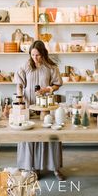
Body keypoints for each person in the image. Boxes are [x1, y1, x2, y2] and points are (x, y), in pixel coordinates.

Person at [15, 40, 65, 181]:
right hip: (29, 105)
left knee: (50, 136)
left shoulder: (51, 67)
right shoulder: (26, 66)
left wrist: (47, 89)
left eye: (37, 55)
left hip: (45, 106)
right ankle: (31, 168)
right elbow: (19, 84)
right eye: (32, 55)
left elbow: (57, 84)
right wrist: (19, 100)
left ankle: (55, 168)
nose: (35, 58)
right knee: (29, 137)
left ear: (43, 54)